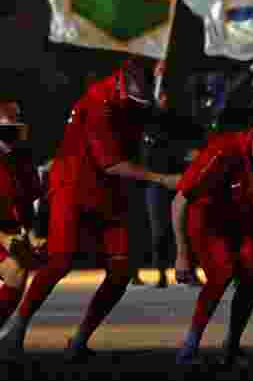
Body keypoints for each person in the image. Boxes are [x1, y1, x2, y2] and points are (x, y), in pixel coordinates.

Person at [0, 61, 181, 362]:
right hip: (74, 189)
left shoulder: (131, 95)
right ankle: (16, 330)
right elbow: (111, 163)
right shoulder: (98, 105)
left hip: (111, 191)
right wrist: (163, 178)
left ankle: (79, 340)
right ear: (121, 88)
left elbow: (148, 120)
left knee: (122, 268)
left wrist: (159, 89)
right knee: (59, 261)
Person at [172, 121, 253, 366]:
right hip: (206, 217)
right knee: (222, 271)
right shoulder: (222, 152)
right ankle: (189, 348)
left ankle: (232, 346)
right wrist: (182, 255)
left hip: (241, 215)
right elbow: (179, 202)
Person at [140, 83, 205, 289]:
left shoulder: (179, 121)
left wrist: (191, 155)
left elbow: (194, 144)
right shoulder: (147, 122)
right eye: (161, 96)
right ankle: (161, 274)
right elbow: (152, 154)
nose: (164, 100)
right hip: (157, 182)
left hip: (179, 181)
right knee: (159, 231)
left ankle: (189, 272)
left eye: (166, 96)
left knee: (185, 229)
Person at [0, 102, 44, 329]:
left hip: (7, 229)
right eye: (9, 128)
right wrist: (5, 239)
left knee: (18, 270)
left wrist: (31, 234)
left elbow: (27, 203)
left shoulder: (21, 159)